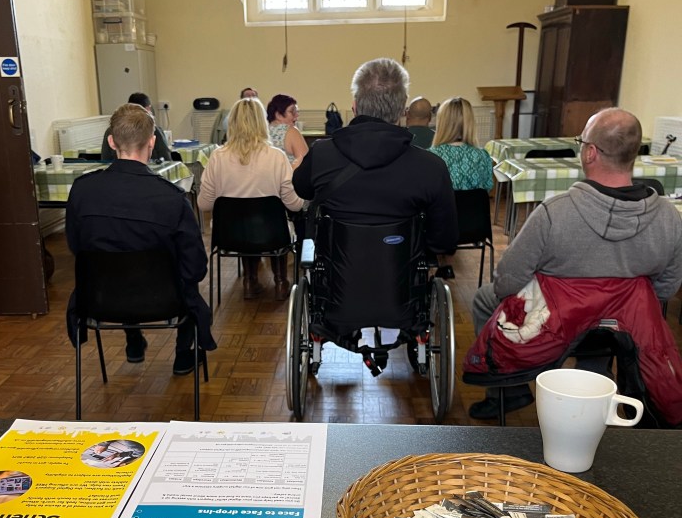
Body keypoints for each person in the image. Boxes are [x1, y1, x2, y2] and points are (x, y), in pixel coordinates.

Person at [468, 106, 682, 420]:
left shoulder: (554, 212)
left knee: (483, 299)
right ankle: (594, 382)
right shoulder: (669, 218)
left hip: (555, 325)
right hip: (626, 327)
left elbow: (507, 282)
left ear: (590, 152)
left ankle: (510, 391)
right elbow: (665, 288)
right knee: (613, 311)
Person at [67, 102, 214, 375]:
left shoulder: (82, 191)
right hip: (166, 299)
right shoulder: (172, 198)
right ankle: (183, 354)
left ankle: (133, 338)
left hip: (99, 298)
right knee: (187, 281)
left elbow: (76, 247)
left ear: (111, 142)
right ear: (152, 142)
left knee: (117, 266)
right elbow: (196, 267)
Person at [292, 58, 458, 243]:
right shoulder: (431, 166)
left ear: (355, 106)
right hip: (402, 260)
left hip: (336, 258)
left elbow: (302, 189)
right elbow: (444, 240)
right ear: (403, 111)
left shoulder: (321, 154)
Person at [198, 97, 304, 300]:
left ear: (232, 123)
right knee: (274, 222)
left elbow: (204, 204)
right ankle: (281, 282)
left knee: (243, 222)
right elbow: (294, 204)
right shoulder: (276, 157)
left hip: (228, 235)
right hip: (273, 234)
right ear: (262, 122)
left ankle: (249, 280)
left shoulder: (217, 157)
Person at [429, 97, 494, 191]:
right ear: (470, 122)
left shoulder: (430, 157)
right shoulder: (483, 156)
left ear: (442, 123)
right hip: (473, 201)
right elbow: (486, 189)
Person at [100, 92, 176, 163]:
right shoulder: (154, 130)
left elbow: (105, 160)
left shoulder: (111, 131)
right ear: (147, 110)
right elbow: (167, 159)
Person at [266, 94, 309, 168]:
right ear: (278, 115)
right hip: (289, 174)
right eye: (292, 111)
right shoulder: (291, 131)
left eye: (297, 111)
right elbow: (305, 162)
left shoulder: (262, 131)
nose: (297, 115)